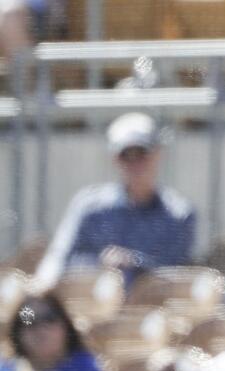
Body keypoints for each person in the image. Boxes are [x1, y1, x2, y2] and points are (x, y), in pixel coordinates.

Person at [33, 112, 197, 290]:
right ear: (114, 159)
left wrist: (135, 263)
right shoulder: (89, 206)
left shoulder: (179, 214)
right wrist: (97, 265)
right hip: (88, 308)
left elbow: (175, 275)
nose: (135, 164)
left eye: (141, 153)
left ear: (158, 154)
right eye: (126, 155)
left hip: (152, 311)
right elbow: (59, 258)